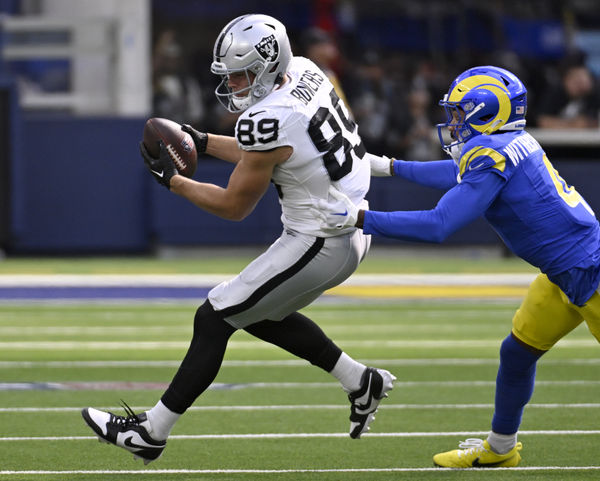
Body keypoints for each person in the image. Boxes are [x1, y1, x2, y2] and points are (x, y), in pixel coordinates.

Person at [81, 14, 395, 465]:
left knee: (214, 318)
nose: (234, 82)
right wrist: (202, 141)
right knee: (254, 312)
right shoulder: (307, 71)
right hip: (347, 225)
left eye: (243, 72)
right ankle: (359, 380)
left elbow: (234, 206)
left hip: (321, 238)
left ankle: (152, 432)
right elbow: (273, 150)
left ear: (270, 64)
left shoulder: (268, 118)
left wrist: (174, 182)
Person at [314, 65, 600, 468]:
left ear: (487, 112)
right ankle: (501, 449)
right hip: (564, 273)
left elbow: (439, 225)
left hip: (591, 271)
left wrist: (360, 218)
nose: (453, 121)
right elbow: (461, 173)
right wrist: (392, 167)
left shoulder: (494, 154)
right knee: (516, 354)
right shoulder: (509, 143)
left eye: (460, 112)